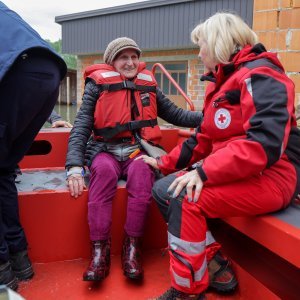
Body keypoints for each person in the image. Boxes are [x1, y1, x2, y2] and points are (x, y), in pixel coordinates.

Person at [139, 12, 300, 299]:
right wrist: (162, 163)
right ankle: (216, 266)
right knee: (164, 189)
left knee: (183, 196)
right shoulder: (221, 84)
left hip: (273, 176)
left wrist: (202, 172)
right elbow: (202, 139)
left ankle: (188, 291)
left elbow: (264, 143)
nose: (199, 53)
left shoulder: (260, 75)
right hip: (237, 171)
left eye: (201, 45)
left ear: (218, 44)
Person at [65, 36, 207, 283]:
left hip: (136, 151)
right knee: (103, 175)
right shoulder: (96, 85)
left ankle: (133, 250)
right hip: (105, 151)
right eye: (123, 57)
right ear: (112, 62)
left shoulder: (147, 84)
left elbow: (176, 114)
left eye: (134, 57)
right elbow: (81, 126)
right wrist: (74, 167)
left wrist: (210, 115)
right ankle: (100, 253)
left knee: (142, 178)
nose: (130, 63)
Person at [0, 1, 67, 291]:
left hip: (15, 69)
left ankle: (2, 271)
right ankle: (20, 260)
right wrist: (52, 115)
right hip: (50, 70)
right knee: (2, 170)